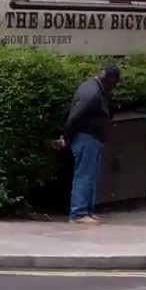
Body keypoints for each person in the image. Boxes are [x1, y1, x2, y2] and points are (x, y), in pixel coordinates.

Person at [58, 65, 121, 224]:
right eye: (114, 83)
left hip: (92, 138)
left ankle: (87, 211)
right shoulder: (92, 92)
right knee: (85, 176)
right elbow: (74, 116)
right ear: (109, 80)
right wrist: (65, 136)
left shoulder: (94, 88)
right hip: (86, 137)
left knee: (90, 176)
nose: (114, 87)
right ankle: (79, 213)